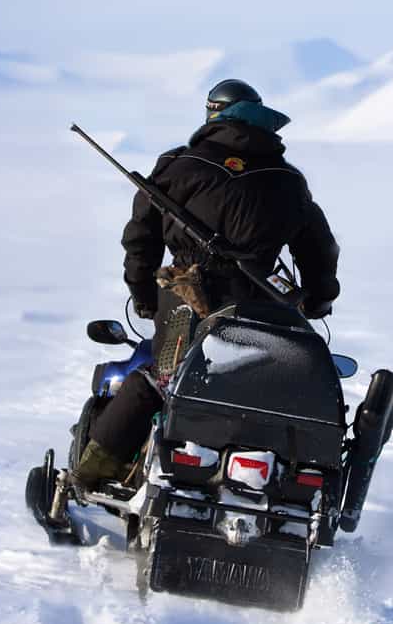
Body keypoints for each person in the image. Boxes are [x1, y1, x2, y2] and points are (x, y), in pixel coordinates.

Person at [72, 78, 341, 487]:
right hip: (264, 304)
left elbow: (140, 241)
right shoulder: (288, 181)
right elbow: (321, 252)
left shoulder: (178, 166)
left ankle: (90, 476)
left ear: (213, 115)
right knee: (261, 388)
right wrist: (318, 300)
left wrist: (144, 297)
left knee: (159, 382)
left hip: (188, 302)